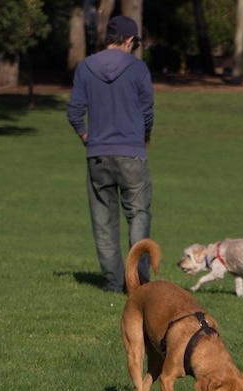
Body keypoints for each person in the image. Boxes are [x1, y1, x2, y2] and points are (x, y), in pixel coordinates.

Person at [67, 15, 154, 293]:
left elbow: (74, 112)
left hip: (98, 155)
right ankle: (138, 282)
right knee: (138, 214)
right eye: (134, 44)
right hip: (132, 153)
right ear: (128, 40)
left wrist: (86, 138)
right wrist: (144, 137)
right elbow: (147, 112)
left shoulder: (85, 67)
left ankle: (113, 282)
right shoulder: (138, 69)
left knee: (104, 221)